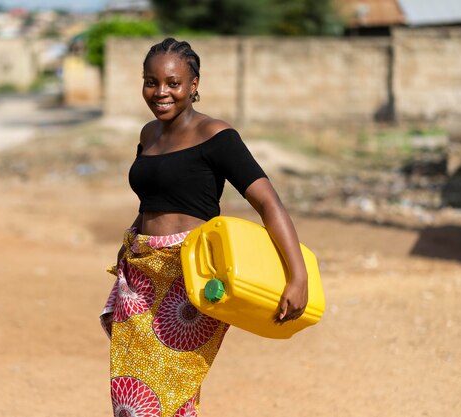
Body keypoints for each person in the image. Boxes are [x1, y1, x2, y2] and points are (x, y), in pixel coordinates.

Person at [100, 37, 308, 417]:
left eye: (173, 83)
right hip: (140, 272)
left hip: (190, 277)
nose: (161, 92)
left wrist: (298, 276)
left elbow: (267, 202)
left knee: (159, 390)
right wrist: (128, 244)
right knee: (137, 397)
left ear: (193, 85)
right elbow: (152, 198)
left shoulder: (217, 137)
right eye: (151, 81)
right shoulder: (148, 134)